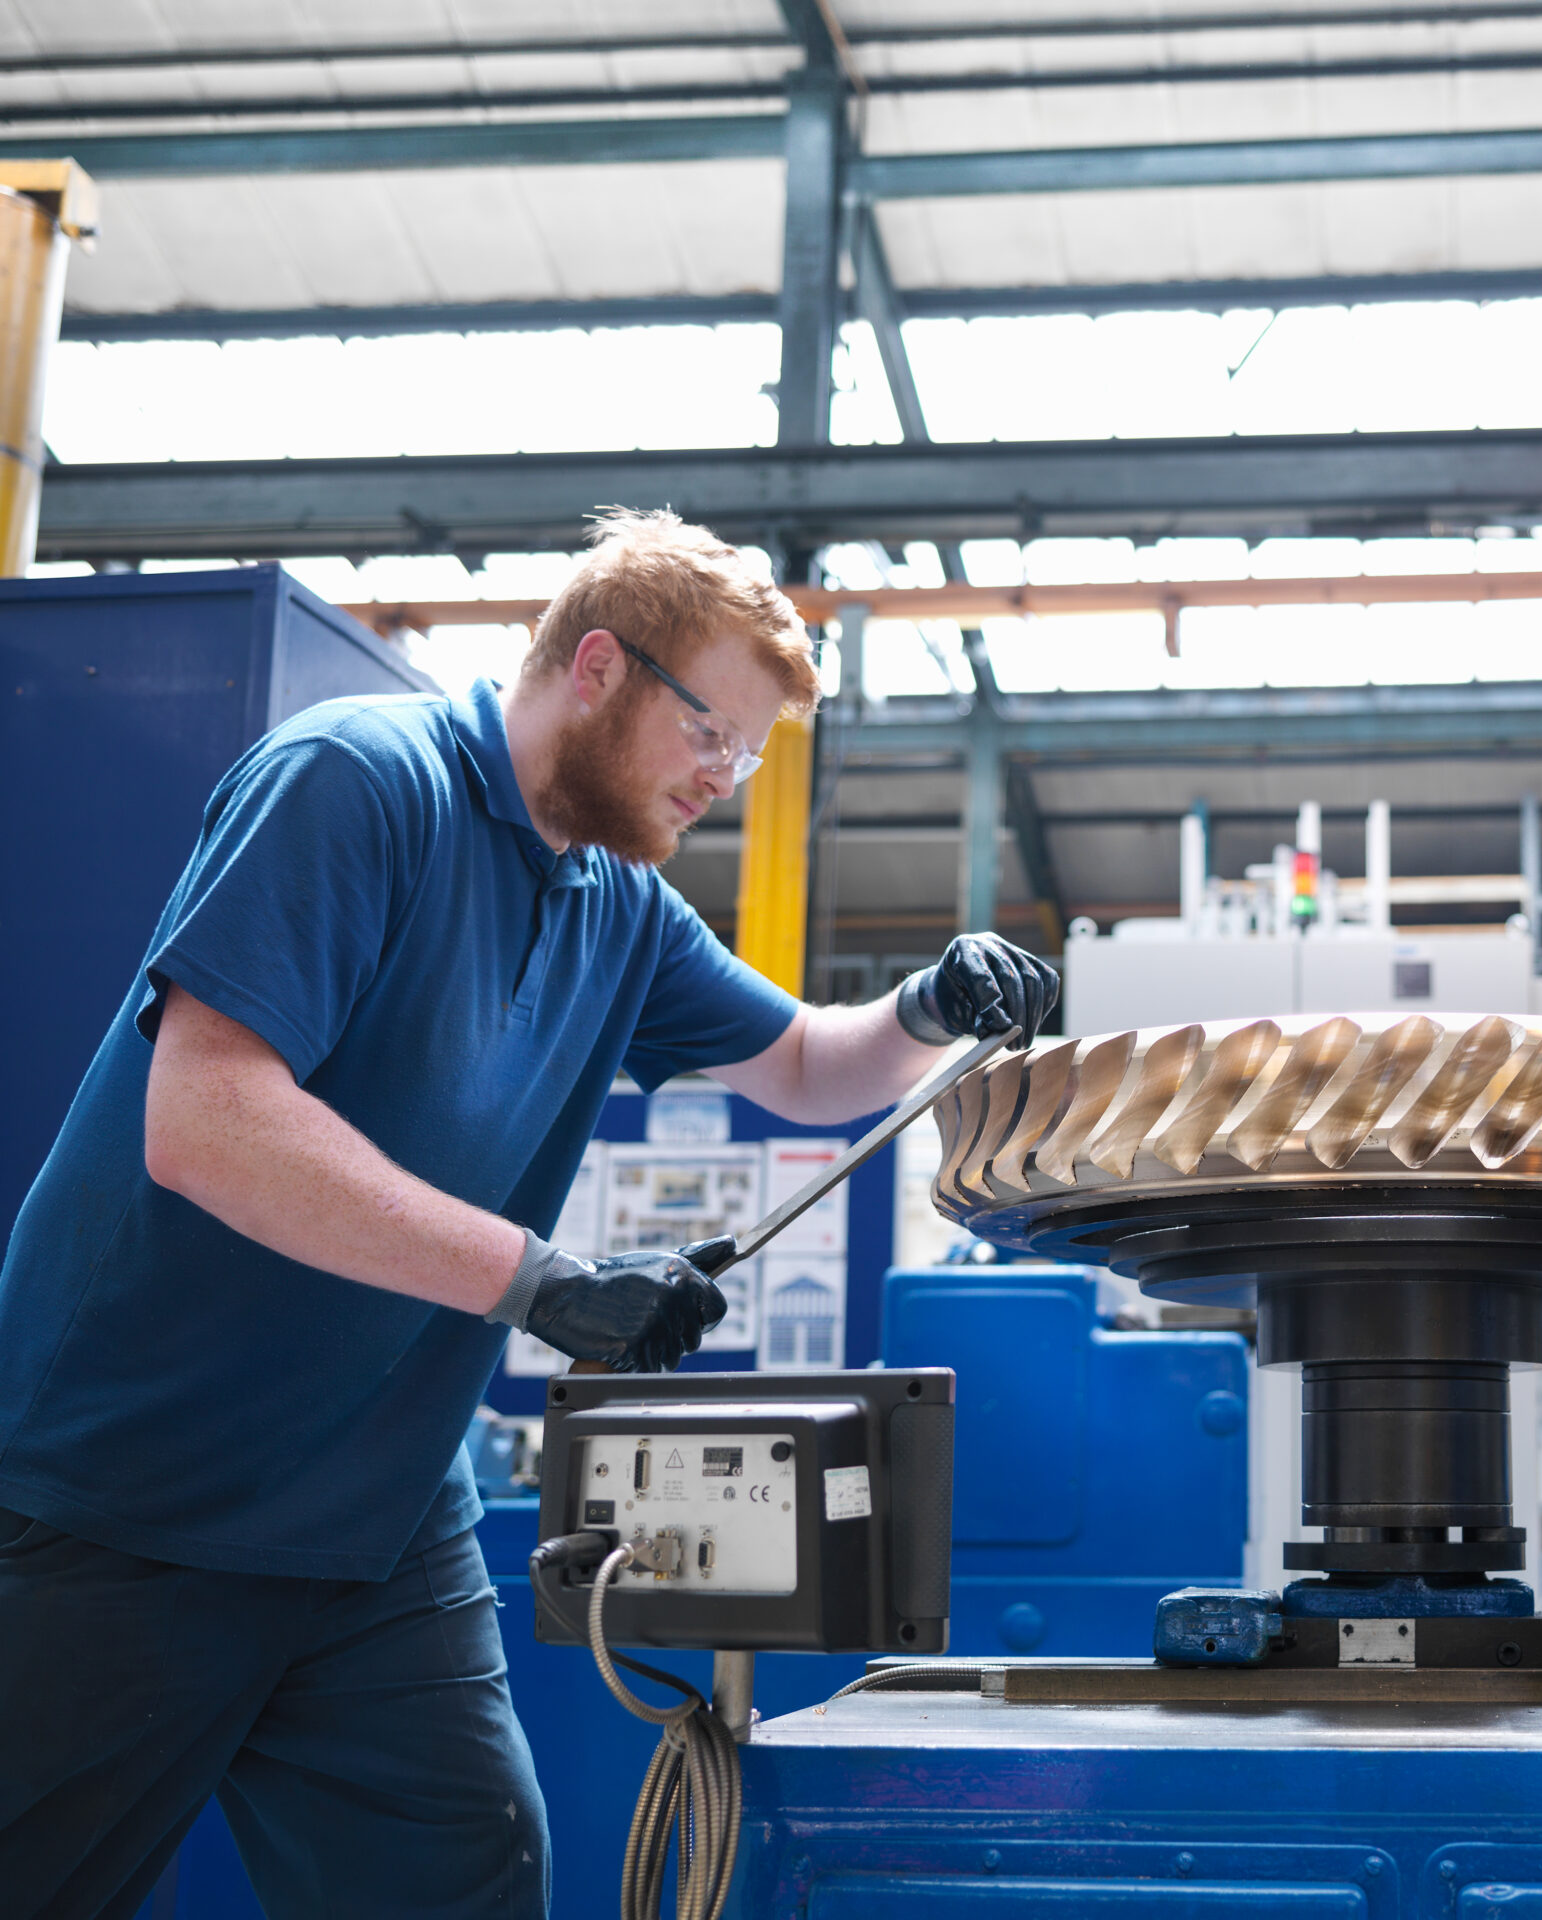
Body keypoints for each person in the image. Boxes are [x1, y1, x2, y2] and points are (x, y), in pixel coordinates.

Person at [0, 510, 1057, 1919]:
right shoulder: (356, 786)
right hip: (128, 1504)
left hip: (373, 1520)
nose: (726, 781)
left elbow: (808, 1067)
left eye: (746, 754)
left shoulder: (615, 899)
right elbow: (208, 1125)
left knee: (468, 1881)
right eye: (711, 735)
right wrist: (545, 1284)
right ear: (601, 667)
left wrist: (932, 1005)